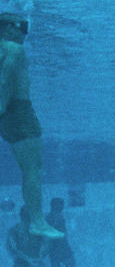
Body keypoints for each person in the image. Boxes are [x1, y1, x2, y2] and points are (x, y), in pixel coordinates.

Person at [0, 13, 63, 240]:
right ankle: (38, 221)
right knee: (32, 169)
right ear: (7, 28)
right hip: (18, 111)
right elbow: (5, 82)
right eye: (21, 27)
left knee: (30, 169)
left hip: (12, 113)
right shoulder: (13, 49)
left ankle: (38, 220)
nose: (24, 33)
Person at [38, 198, 76, 267]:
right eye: (61, 205)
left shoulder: (51, 216)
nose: (63, 207)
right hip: (60, 247)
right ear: (56, 205)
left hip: (56, 248)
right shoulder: (55, 217)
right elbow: (50, 234)